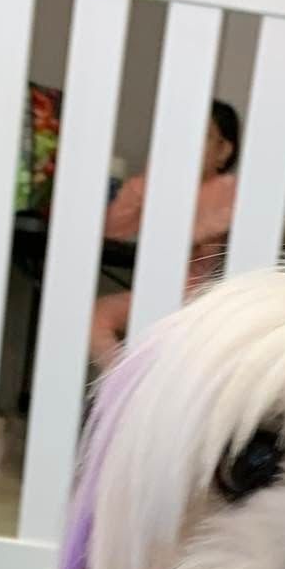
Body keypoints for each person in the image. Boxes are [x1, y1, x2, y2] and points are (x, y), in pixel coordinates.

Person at [88, 101, 241, 369]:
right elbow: (113, 231)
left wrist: (191, 237)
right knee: (93, 317)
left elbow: (207, 231)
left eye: (201, 136)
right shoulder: (160, 185)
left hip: (200, 296)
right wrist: (143, 185)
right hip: (154, 290)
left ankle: (136, 385)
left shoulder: (229, 189)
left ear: (223, 151)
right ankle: (125, 383)